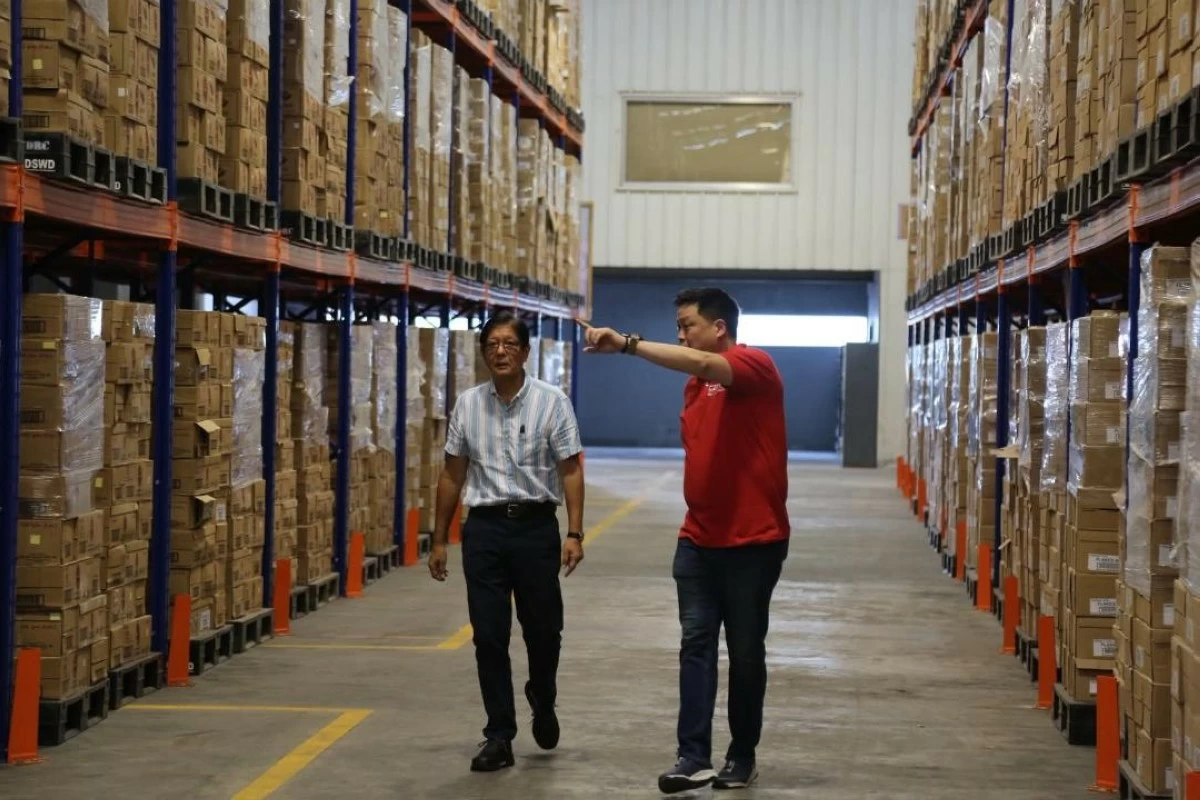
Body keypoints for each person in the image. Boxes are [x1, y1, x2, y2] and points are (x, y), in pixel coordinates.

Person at [579, 287, 789, 794]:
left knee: (744, 652)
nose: (680, 333)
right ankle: (692, 755)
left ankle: (742, 755)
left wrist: (628, 344)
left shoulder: (753, 365)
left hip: (752, 543)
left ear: (718, 328)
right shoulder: (696, 385)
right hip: (697, 541)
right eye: (677, 325)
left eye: (688, 323)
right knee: (695, 646)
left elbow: (702, 362)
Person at [428, 310, 587, 773]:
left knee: (543, 631)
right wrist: (439, 540)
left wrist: (575, 532)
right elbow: (453, 474)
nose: (500, 351)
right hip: (485, 531)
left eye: (509, 344)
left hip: (537, 529)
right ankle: (498, 733)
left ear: (525, 351)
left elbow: (570, 470)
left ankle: (543, 693)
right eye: (492, 344)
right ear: (483, 352)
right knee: (489, 637)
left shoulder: (552, 402)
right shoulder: (468, 405)